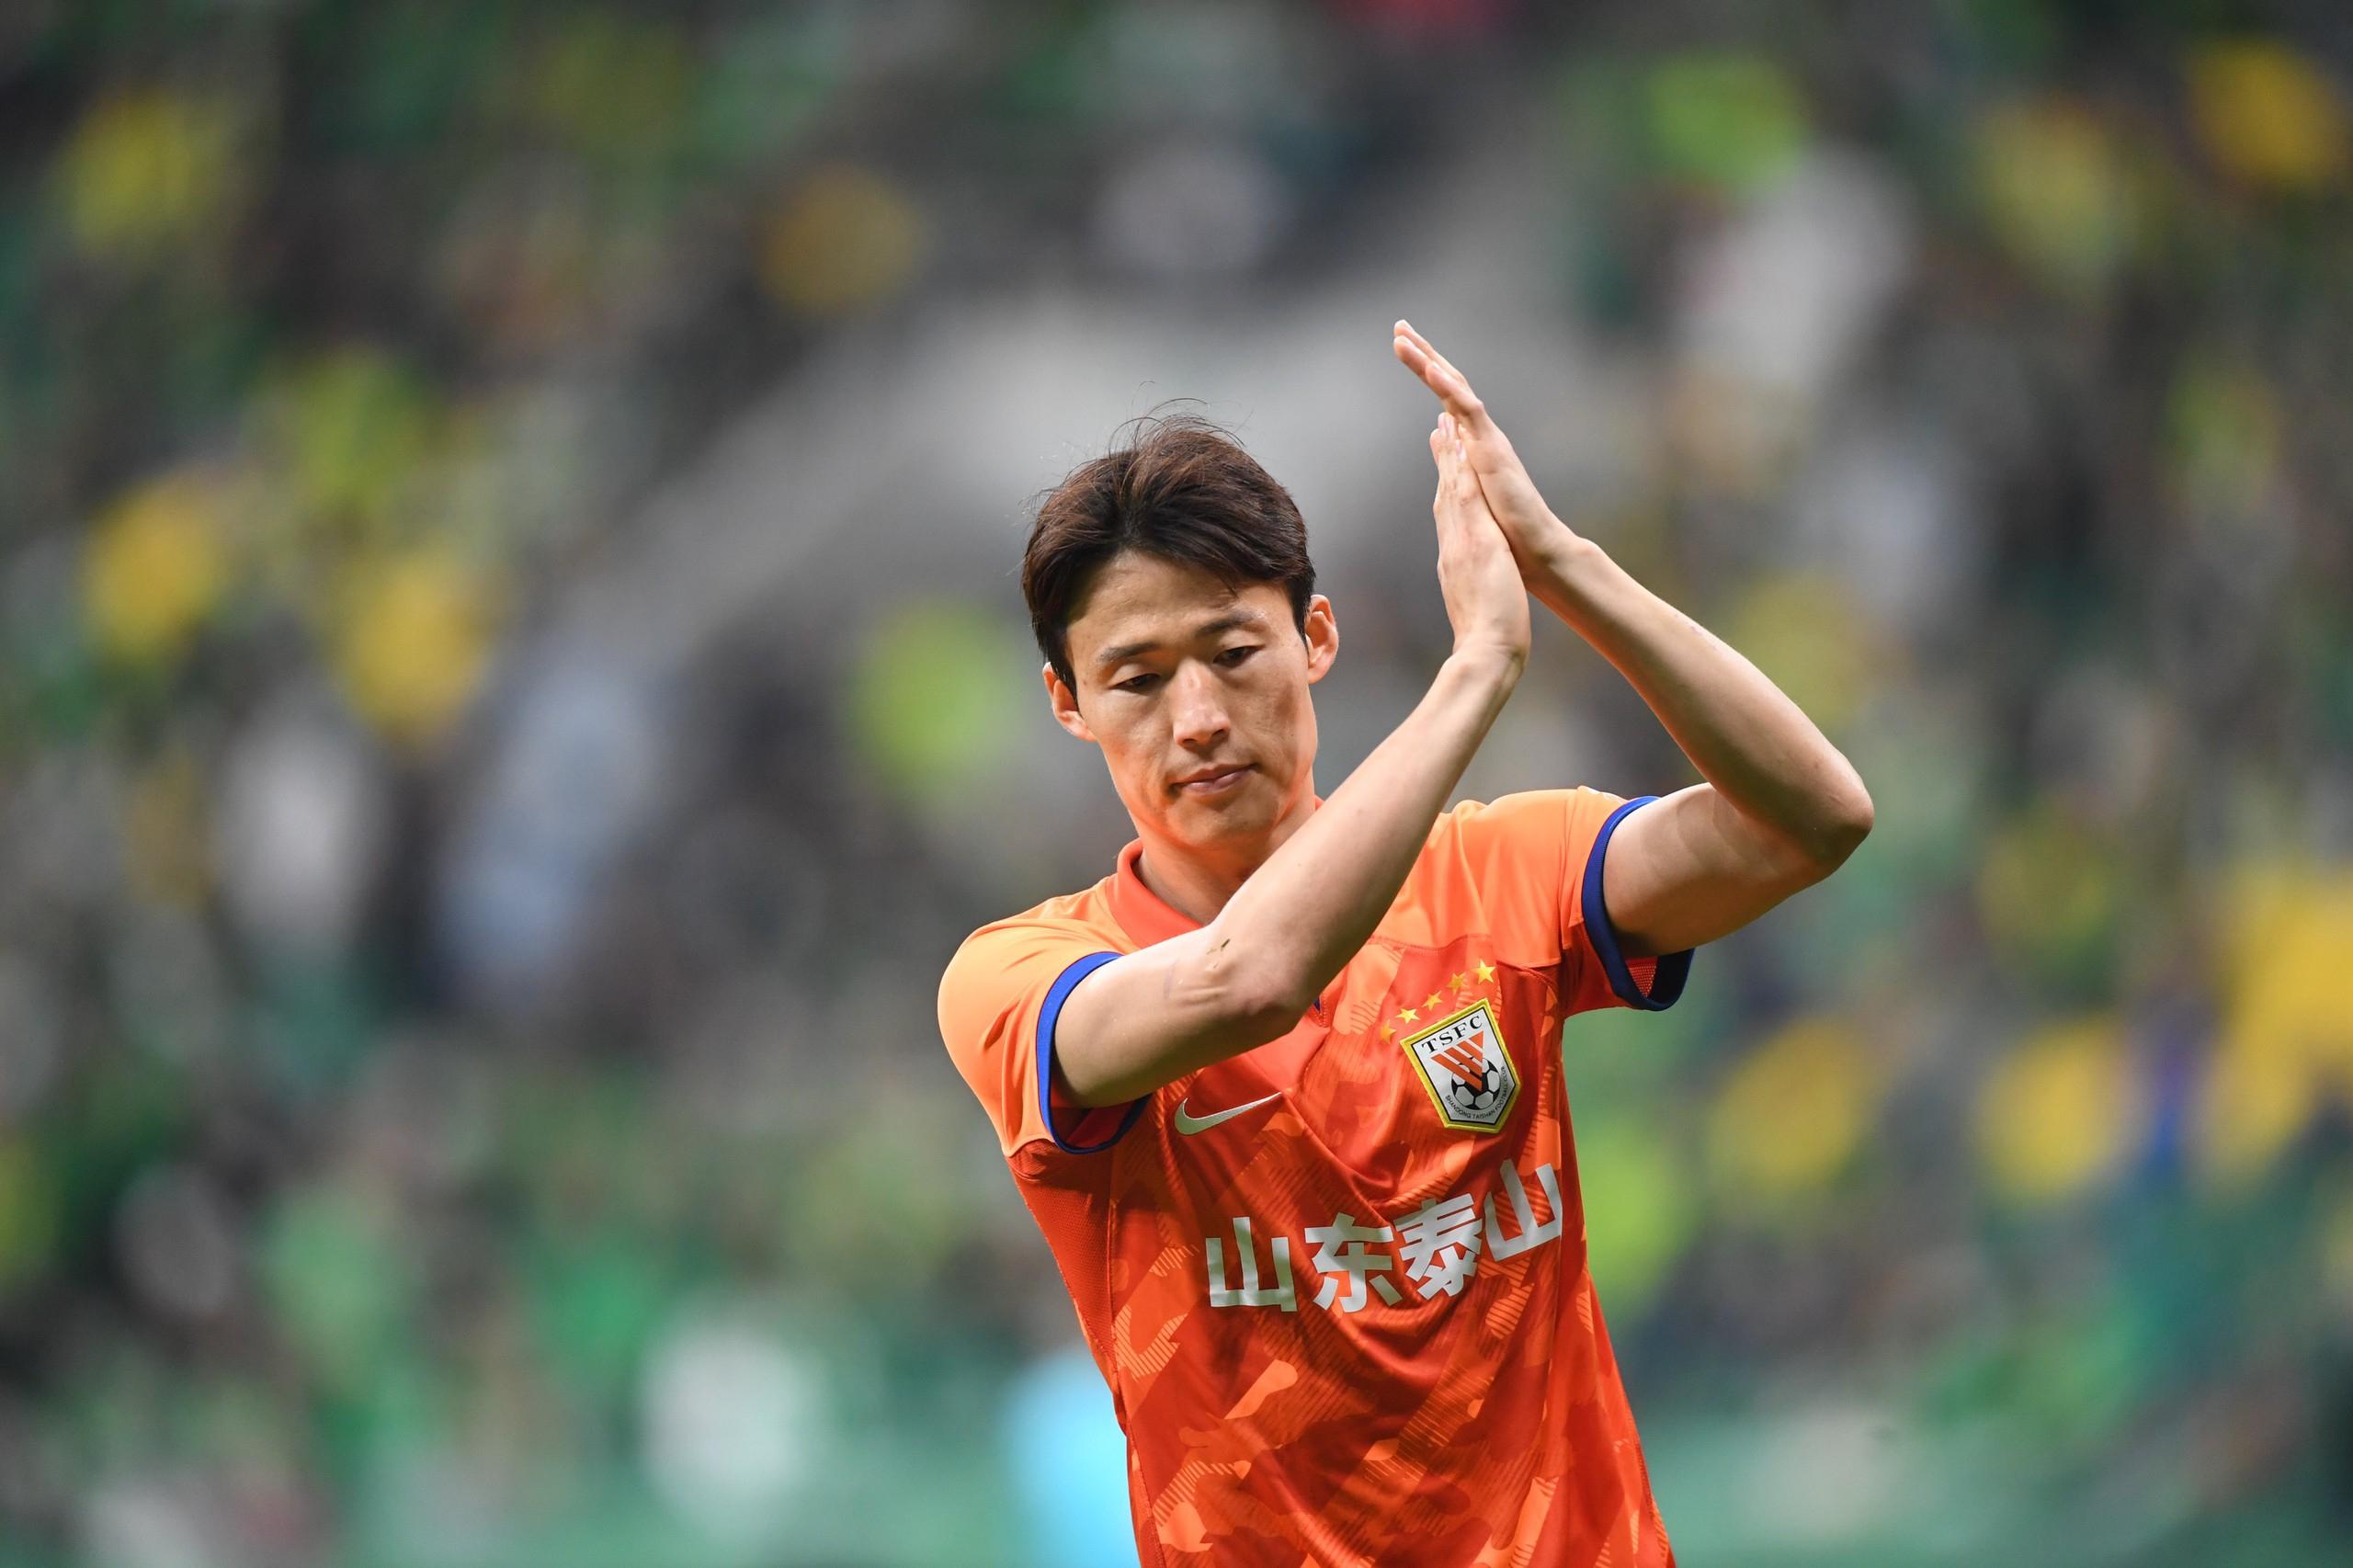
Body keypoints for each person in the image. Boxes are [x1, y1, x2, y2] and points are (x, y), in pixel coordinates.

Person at [937, 320, 1873, 1566]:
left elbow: (1811, 819)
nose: (1199, 716)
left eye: (1234, 652)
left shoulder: (1503, 874)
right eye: (1138, 680)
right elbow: (1252, 978)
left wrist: (1564, 564)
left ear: (1316, 639)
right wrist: (1475, 672)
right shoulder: (1018, 980)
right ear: (1069, 704)